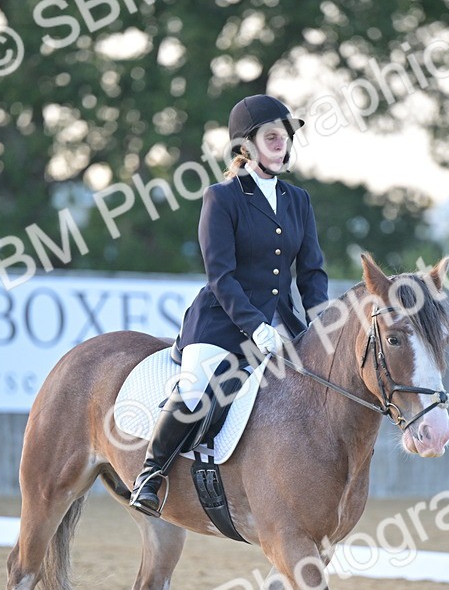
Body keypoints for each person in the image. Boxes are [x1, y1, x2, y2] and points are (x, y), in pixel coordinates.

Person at [129, 94, 330, 517]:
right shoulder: (222, 198)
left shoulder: (299, 200)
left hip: (284, 325)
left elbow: (311, 271)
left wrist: (320, 319)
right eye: (271, 137)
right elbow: (220, 275)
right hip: (222, 323)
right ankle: (151, 473)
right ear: (246, 146)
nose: (281, 144)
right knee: (197, 387)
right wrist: (256, 326)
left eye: (284, 137)